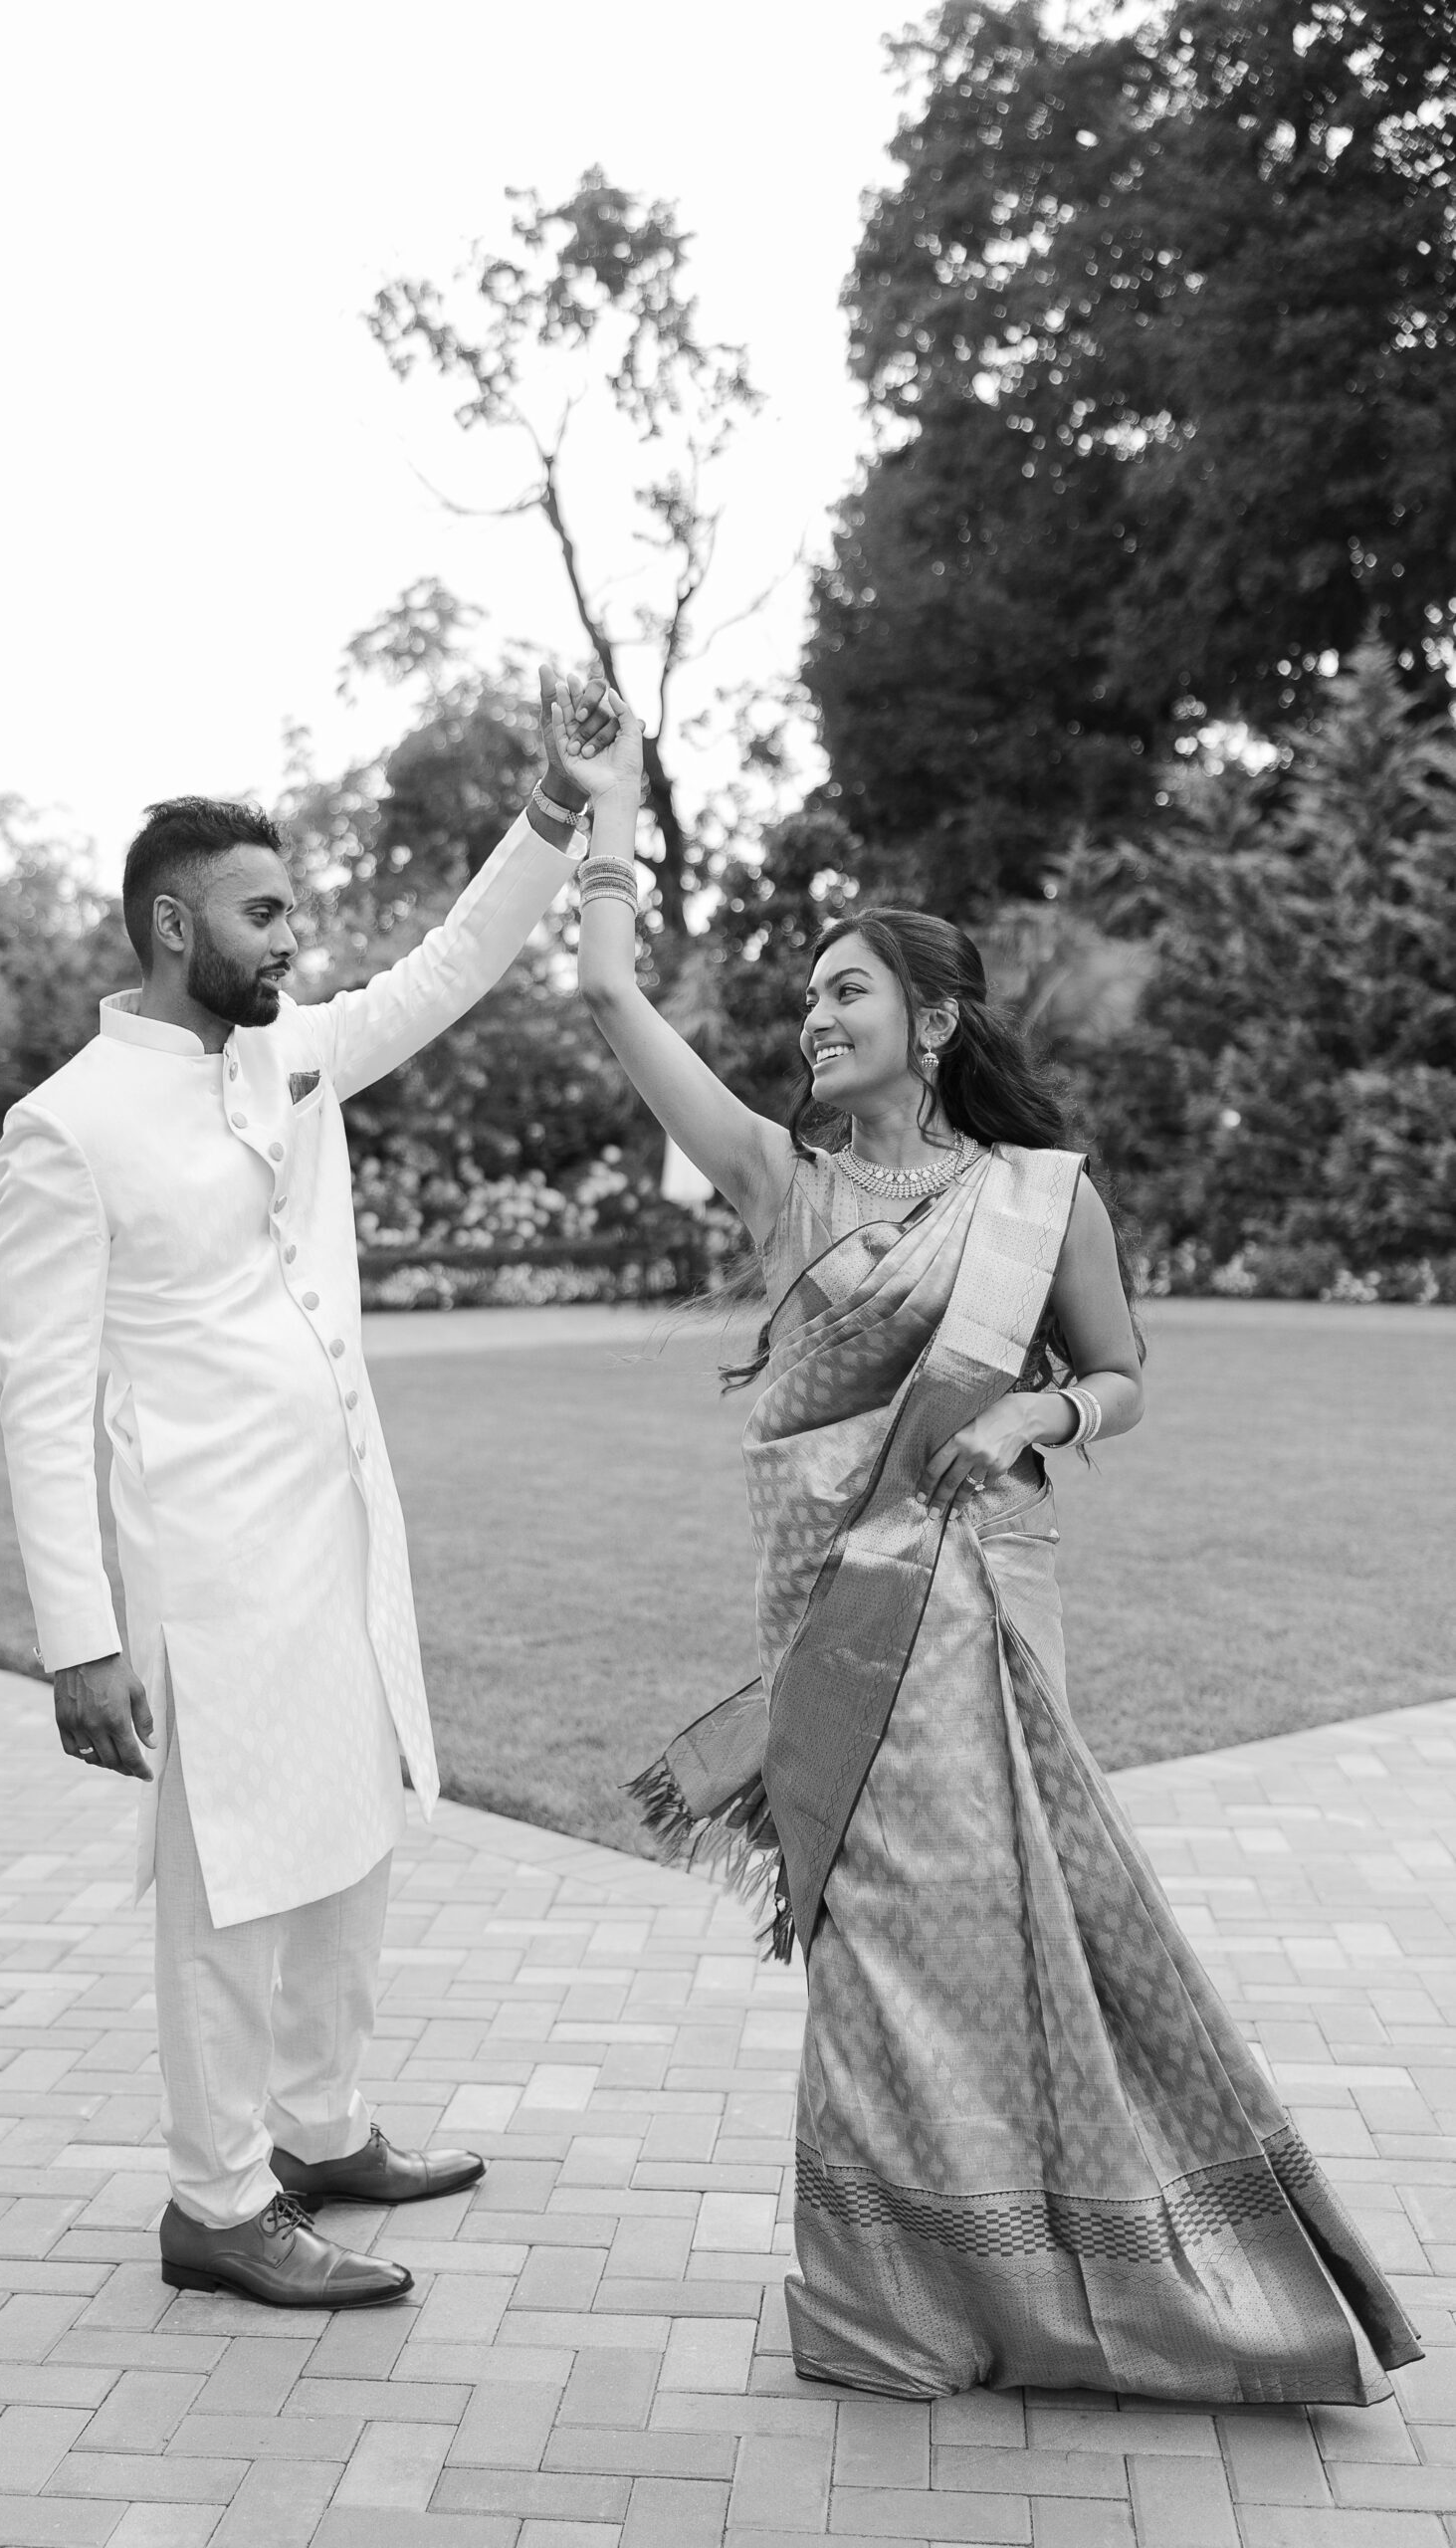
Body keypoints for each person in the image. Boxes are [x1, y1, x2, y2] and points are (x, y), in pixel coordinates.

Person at [549, 682, 1419, 2404]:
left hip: (970, 1621)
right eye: (805, 995)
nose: (813, 1016)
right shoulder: (779, 1183)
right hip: (834, 1625)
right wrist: (608, 824)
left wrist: (1037, 1415)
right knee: (867, 1942)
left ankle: (1071, 2271)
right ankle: (895, 2303)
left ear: (933, 1020)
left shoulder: (1041, 1196)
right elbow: (606, 992)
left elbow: (1121, 1374)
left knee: (1002, 1928)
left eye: (846, 989)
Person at [0, 673, 612, 2310]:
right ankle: (216, 2201)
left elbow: (453, 966)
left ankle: (327, 2129)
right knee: (226, 1890)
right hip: (200, 1576)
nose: (291, 940)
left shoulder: (290, 1062)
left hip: (339, 1542)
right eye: (263, 915)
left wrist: (553, 809)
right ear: (173, 927)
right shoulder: (63, 1130)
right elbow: (43, 1404)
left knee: (348, 1848)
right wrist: (77, 1640)